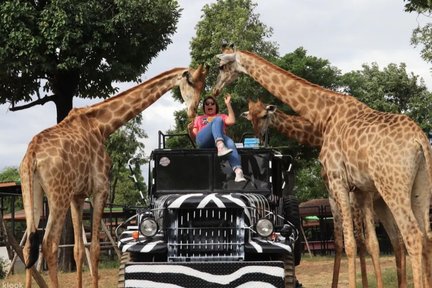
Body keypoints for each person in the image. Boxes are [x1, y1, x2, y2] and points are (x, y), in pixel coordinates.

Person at [191, 94, 246, 182]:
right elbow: (195, 134)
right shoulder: (199, 118)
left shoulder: (222, 116)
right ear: (204, 107)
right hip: (203, 140)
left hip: (220, 140)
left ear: (216, 106)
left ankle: (238, 171)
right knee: (218, 120)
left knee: (230, 142)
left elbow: (232, 121)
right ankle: (220, 145)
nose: (209, 105)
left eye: (212, 103)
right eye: (207, 104)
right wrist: (190, 130)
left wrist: (228, 104)